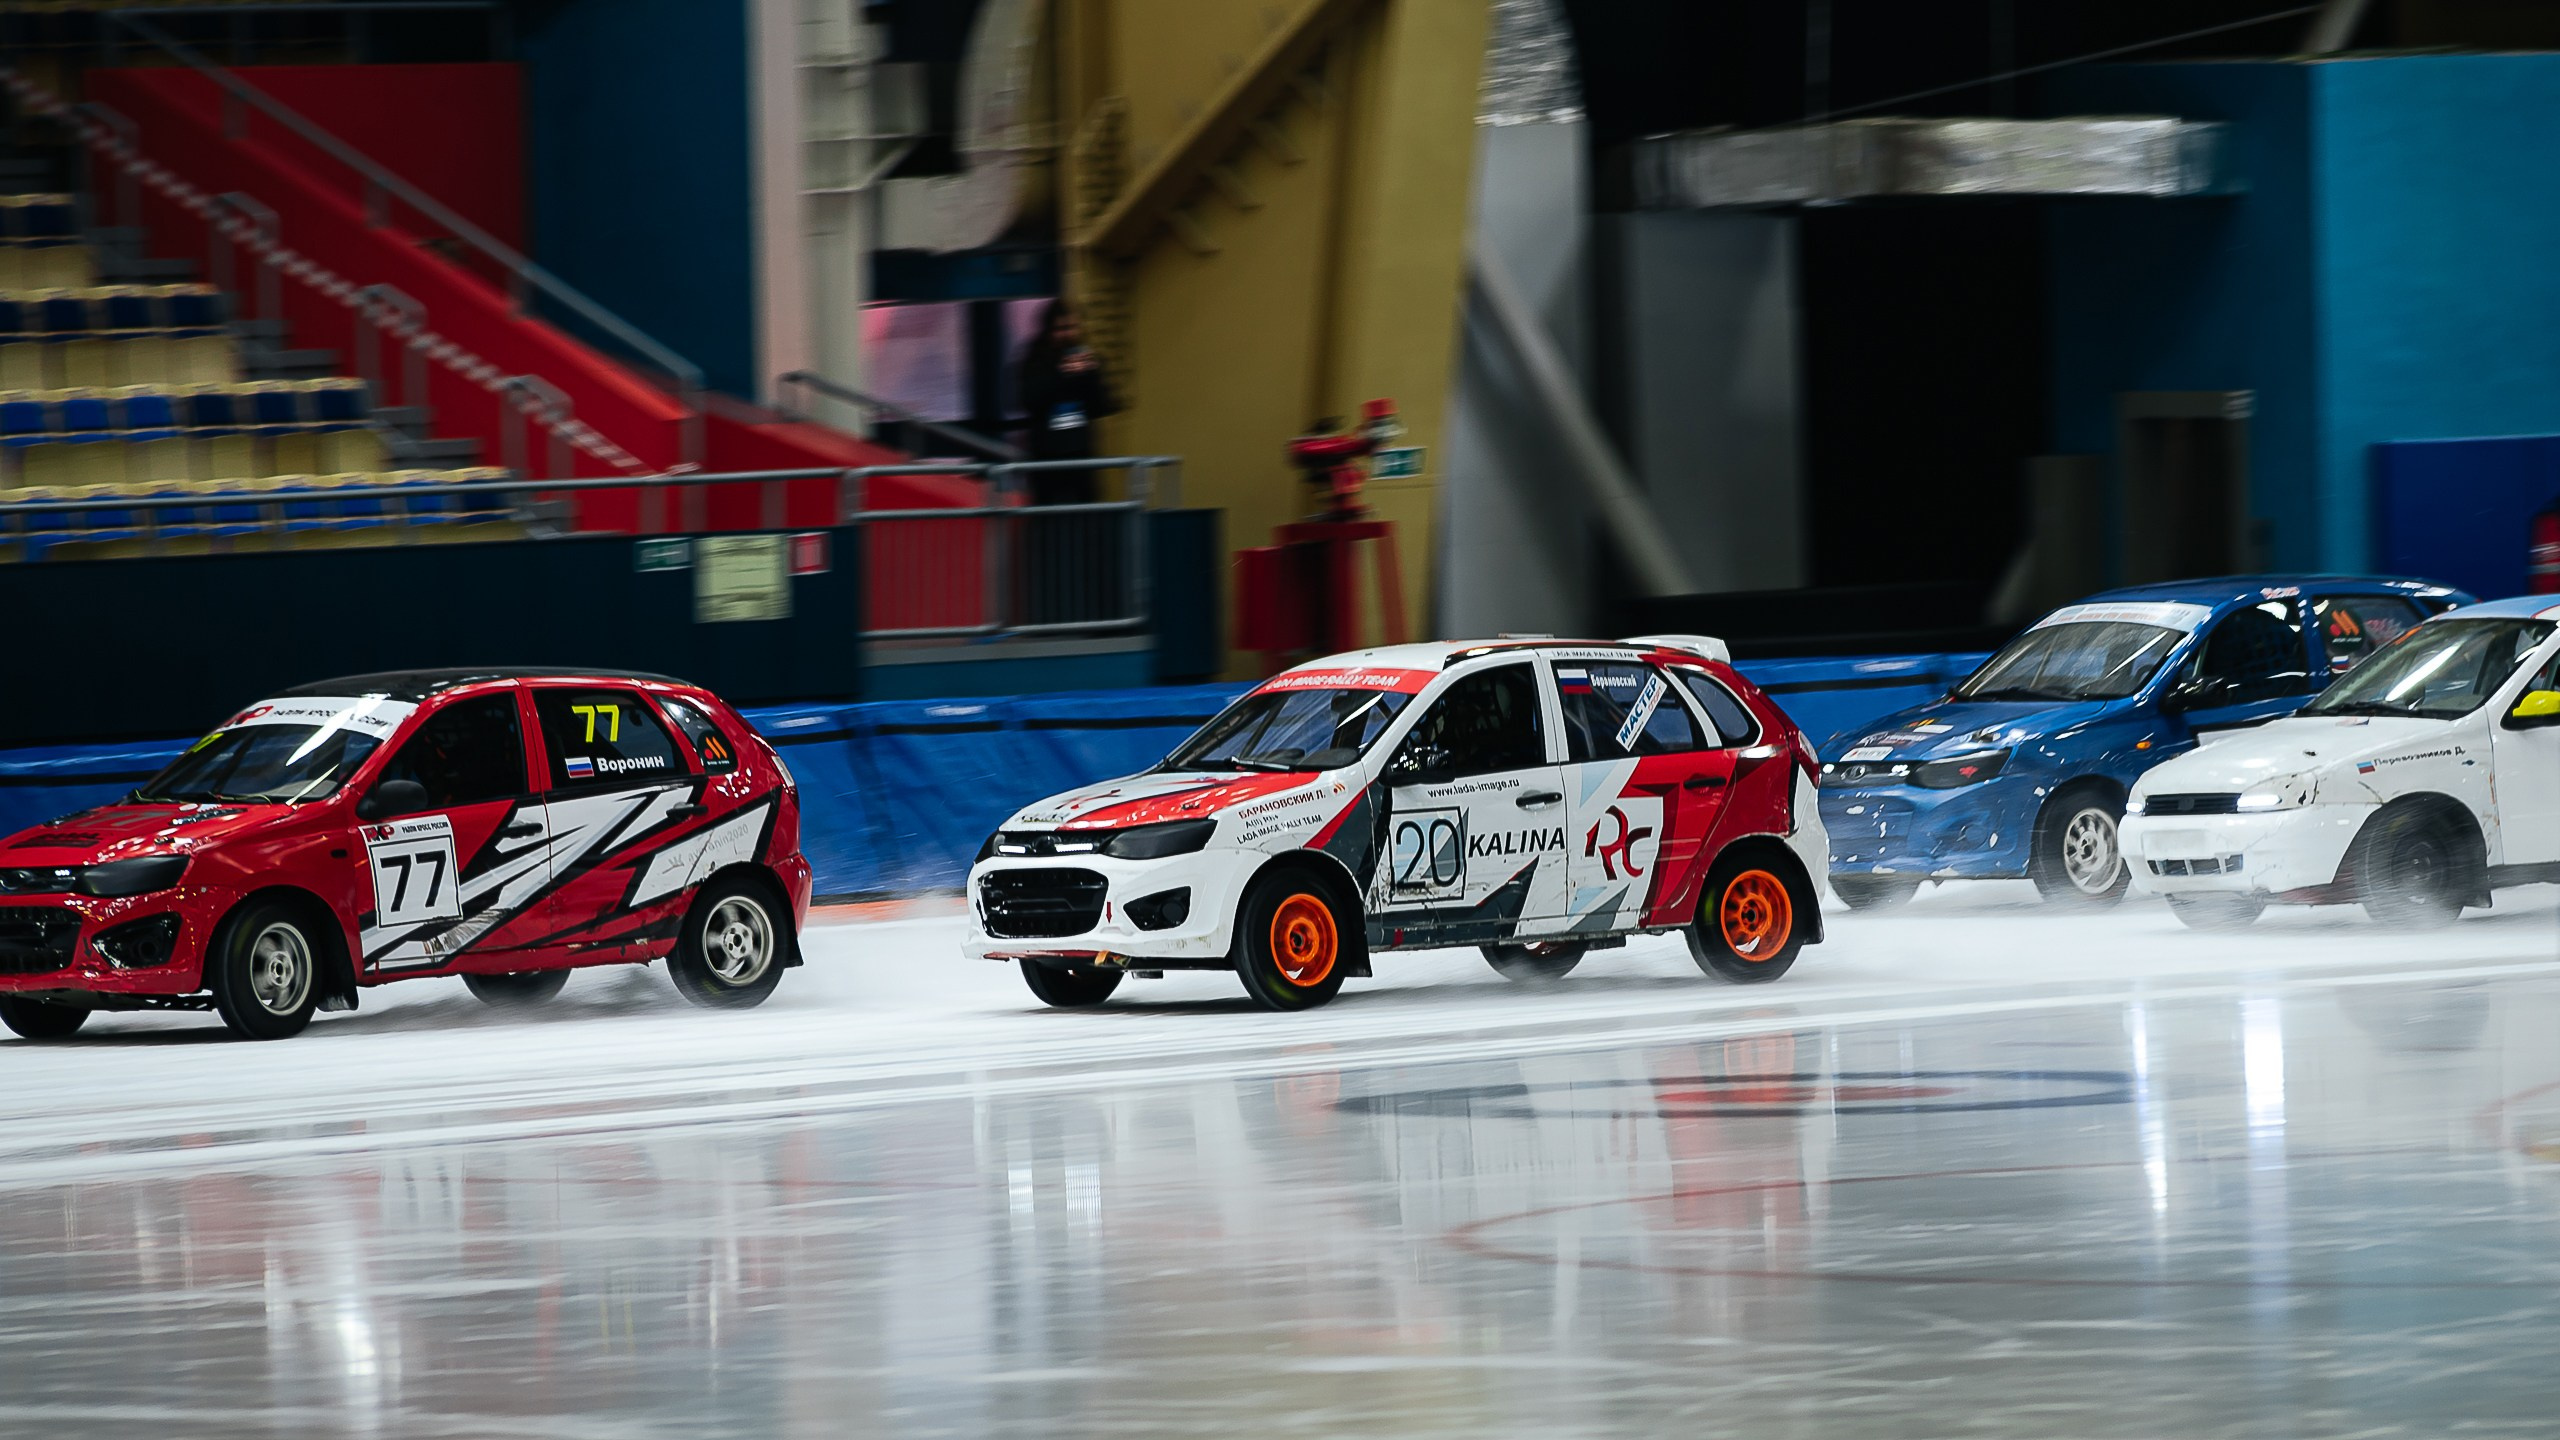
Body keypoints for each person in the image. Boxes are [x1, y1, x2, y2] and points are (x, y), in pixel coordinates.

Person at [1016, 300, 1119, 504]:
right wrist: (1062, 374)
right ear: (1049, 330)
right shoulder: (1035, 361)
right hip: (1047, 456)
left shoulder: (1087, 361)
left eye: (1072, 327)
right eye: (1061, 329)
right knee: (1048, 511)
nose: (1068, 334)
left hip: (1081, 453)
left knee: (1086, 509)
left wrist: (1090, 376)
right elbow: (1029, 400)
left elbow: (1101, 405)